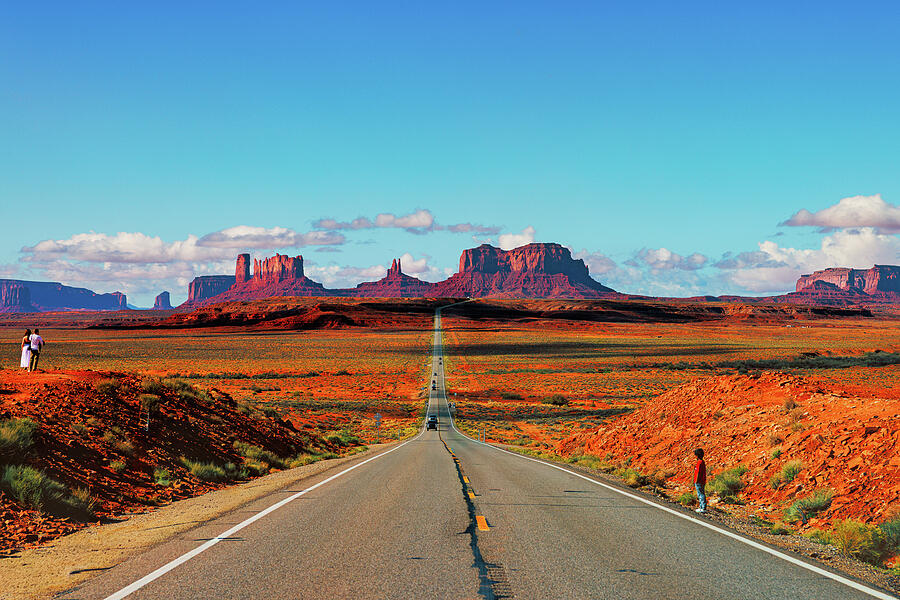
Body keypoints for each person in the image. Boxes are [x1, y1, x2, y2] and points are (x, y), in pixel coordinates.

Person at [693, 448, 707, 514]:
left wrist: (696, 480)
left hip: (699, 481)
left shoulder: (699, 462)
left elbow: (698, 472)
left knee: (701, 494)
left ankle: (703, 508)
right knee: (700, 494)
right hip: (701, 481)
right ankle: (701, 507)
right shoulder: (702, 462)